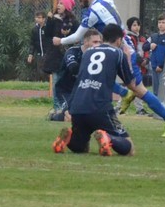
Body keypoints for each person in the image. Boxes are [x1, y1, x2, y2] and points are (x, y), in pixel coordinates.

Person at [53, 0, 165, 137]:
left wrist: (60, 41)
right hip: (118, 50)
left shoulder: (93, 12)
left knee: (139, 90)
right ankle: (125, 94)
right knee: (100, 76)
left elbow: (78, 36)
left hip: (124, 52)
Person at [52, 23, 136, 157]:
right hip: (99, 107)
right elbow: (131, 83)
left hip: (78, 107)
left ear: (103, 38)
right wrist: (128, 59)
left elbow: (78, 81)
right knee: (129, 148)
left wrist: (69, 107)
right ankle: (109, 138)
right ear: (119, 40)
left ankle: (69, 139)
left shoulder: (87, 53)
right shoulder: (118, 53)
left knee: (81, 147)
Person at [53, 28, 103, 120]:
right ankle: (54, 116)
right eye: (95, 42)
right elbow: (74, 69)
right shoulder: (72, 52)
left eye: (100, 42)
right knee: (71, 117)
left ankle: (63, 114)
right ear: (86, 42)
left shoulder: (98, 57)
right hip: (65, 90)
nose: (98, 45)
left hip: (82, 92)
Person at [42, 0, 78, 115]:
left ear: (67, 6)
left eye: (61, 3)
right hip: (55, 56)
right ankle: (57, 107)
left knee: (67, 82)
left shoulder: (73, 21)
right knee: (56, 81)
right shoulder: (54, 19)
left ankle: (67, 107)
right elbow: (47, 34)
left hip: (68, 56)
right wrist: (49, 20)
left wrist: (68, 34)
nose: (58, 5)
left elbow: (77, 37)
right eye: (58, 3)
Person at [143, 14, 165, 96]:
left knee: (163, 89)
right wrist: (150, 45)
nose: (161, 24)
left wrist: (161, 66)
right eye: (159, 22)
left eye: (163, 22)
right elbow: (144, 47)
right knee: (155, 90)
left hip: (164, 68)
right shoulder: (154, 36)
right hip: (154, 67)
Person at [124, 16, 151, 116]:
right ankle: (119, 107)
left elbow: (146, 50)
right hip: (132, 65)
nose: (137, 27)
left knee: (138, 87)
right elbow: (131, 51)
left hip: (140, 66)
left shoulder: (142, 38)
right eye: (134, 25)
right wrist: (140, 60)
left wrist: (146, 60)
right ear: (129, 26)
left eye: (138, 25)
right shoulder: (128, 37)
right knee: (131, 86)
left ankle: (139, 108)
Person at [27, 11, 48, 81]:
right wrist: (30, 54)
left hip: (47, 54)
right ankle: (41, 84)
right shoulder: (34, 29)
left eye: (39, 17)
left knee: (47, 71)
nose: (37, 19)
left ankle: (49, 84)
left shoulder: (48, 28)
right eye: (36, 17)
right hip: (39, 54)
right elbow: (32, 43)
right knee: (40, 71)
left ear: (44, 19)